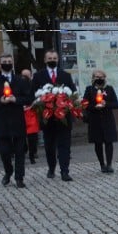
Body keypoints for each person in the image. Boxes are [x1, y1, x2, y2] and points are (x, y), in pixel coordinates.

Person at [0, 53, 33, 188]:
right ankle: (8, 171)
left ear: (12, 64)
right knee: (5, 152)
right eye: (4, 61)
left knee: (19, 152)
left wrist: (16, 99)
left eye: (9, 61)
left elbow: (28, 98)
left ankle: (19, 177)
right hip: (2, 121)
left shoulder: (20, 81)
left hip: (17, 120)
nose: (7, 63)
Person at [32, 49, 77, 181]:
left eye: (54, 58)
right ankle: (51, 168)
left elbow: (73, 93)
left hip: (63, 117)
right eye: (50, 58)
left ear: (58, 60)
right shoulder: (38, 76)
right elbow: (32, 94)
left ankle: (65, 171)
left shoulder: (65, 75)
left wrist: (68, 102)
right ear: (45, 60)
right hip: (47, 118)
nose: (52, 60)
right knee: (50, 146)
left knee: (64, 145)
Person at [83, 69, 118, 173]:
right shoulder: (89, 89)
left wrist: (106, 104)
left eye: (101, 77)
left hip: (108, 120)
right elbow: (85, 105)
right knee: (97, 143)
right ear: (93, 78)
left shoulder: (109, 89)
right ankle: (102, 164)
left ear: (105, 78)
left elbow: (116, 104)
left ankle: (109, 165)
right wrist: (95, 107)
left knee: (109, 142)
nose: (99, 79)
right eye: (97, 77)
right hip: (95, 120)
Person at [21, 69, 40, 164]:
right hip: (21, 115)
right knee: (22, 137)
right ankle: (24, 151)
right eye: (23, 76)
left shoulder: (34, 85)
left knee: (33, 137)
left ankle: (32, 154)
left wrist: (34, 104)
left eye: (27, 76)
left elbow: (37, 96)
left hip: (31, 113)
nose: (25, 78)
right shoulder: (18, 85)